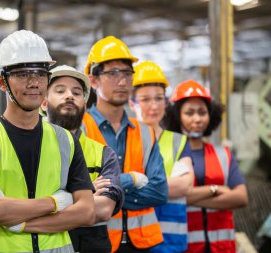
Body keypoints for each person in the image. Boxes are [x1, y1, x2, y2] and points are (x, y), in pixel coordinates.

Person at [0, 30, 95, 253]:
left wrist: (19, 222)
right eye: (23, 74)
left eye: (40, 74)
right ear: (1, 81)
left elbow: (86, 212)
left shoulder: (66, 141)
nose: (34, 83)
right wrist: (56, 202)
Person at [82, 36, 168, 253]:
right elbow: (80, 192)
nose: (122, 81)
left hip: (141, 244)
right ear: (93, 80)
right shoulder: (80, 128)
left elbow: (159, 192)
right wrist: (132, 179)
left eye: (127, 73)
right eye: (112, 73)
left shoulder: (145, 132)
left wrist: (110, 195)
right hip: (96, 242)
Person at [41, 64, 124, 253]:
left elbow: (103, 210)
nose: (69, 95)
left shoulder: (103, 154)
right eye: (60, 90)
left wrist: (51, 203)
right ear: (44, 103)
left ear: (84, 106)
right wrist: (86, 198)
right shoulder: (30, 150)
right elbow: (20, 206)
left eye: (77, 93)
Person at [164, 79, 248, 253]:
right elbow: (162, 197)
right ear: (177, 115)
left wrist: (187, 197)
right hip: (183, 247)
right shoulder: (166, 156)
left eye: (202, 112)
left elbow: (241, 198)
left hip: (223, 248)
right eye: (189, 112)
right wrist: (215, 189)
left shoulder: (223, 154)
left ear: (211, 116)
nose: (197, 119)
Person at [128, 61, 194, 253]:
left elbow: (184, 185)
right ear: (132, 103)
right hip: (134, 239)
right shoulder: (123, 140)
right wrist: (163, 185)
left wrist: (133, 183)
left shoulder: (178, 142)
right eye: (145, 99)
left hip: (170, 242)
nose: (154, 106)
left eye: (159, 98)